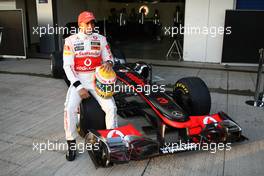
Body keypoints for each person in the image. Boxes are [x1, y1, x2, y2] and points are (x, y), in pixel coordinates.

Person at [63, 11, 118, 161]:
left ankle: (111, 142)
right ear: (80, 24)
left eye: (92, 22)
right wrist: (79, 87)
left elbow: (109, 57)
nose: (90, 25)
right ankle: (71, 143)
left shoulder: (101, 39)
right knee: (69, 109)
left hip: (97, 79)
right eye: (87, 23)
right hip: (78, 79)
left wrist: (108, 63)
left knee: (111, 108)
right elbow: (67, 67)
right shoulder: (70, 41)